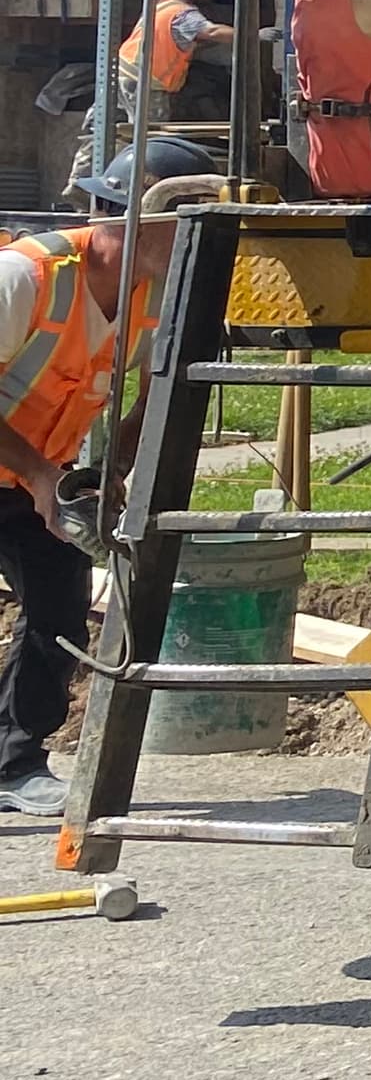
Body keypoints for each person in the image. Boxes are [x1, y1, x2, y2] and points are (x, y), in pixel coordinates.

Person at [0, 166, 165, 817]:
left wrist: (112, 471)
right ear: (118, 218)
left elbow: (155, 400)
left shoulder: (155, 296)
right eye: (175, 228)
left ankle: (13, 764)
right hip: (32, 471)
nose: (186, 245)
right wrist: (43, 476)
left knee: (58, 610)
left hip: (32, 476)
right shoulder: (26, 278)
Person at [114, 0, 236, 131]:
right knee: (150, 137)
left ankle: (88, 158)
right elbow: (213, 31)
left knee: (106, 130)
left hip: (122, 74)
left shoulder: (162, 2)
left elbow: (168, 39)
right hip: (146, 83)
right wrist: (253, 34)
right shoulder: (183, 13)